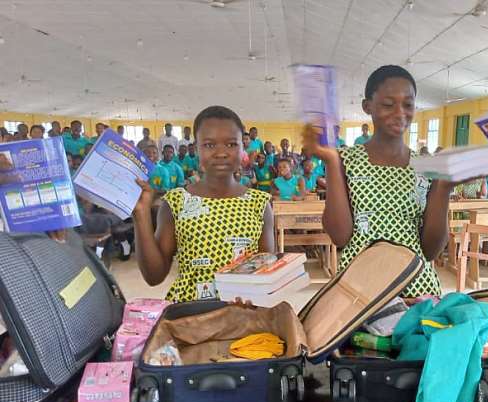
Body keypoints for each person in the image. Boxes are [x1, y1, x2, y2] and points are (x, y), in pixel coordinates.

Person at [303, 65, 453, 297]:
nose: (400, 113)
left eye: (408, 104)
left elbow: (431, 250)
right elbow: (340, 236)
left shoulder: (426, 167)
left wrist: (444, 187)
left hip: (415, 288)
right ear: (367, 107)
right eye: (388, 104)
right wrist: (332, 162)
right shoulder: (345, 159)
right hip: (360, 292)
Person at [132, 105, 274, 302]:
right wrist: (141, 215)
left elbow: (267, 275)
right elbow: (154, 277)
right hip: (190, 318)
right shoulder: (176, 201)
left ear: (243, 149)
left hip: (244, 320)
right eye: (209, 145)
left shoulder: (259, 204)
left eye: (231, 144)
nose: (221, 153)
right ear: (196, 148)